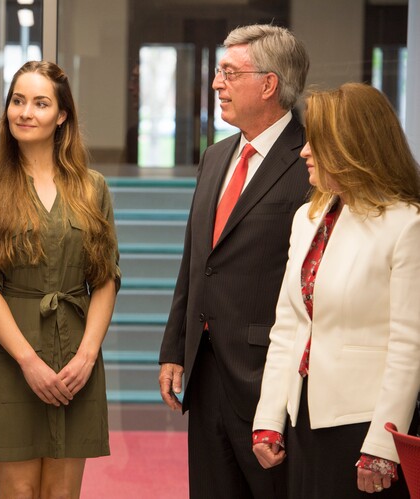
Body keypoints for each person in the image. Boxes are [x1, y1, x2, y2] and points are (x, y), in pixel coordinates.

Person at [158, 24, 310, 498]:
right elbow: (196, 260)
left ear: (268, 84)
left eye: (228, 72)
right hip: (205, 373)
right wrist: (173, 348)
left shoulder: (311, 160)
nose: (216, 83)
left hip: (269, 380)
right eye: (218, 72)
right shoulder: (216, 156)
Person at [0, 60, 120, 498]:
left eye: (40, 103)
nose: (25, 112)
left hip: (75, 360)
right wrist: (29, 361)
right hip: (9, 359)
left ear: (61, 115)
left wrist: (86, 357)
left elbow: (105, 278)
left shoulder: (93, 188)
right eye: (17, 101)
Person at [252, 82, 420, 498]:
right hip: (303, 418)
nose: (304, 151)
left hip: (363, 428)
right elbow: (289, 325)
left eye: (316, 142)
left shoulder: (407, 224)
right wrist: (268, 417)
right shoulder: (308, 217)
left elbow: (409, 345)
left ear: (352, 148)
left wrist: (382, 446)